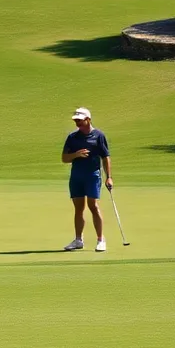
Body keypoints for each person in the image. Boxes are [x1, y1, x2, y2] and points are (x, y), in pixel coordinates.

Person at [61, 107, 113, 252]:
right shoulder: (72, 137)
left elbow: (105, 157)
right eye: (76, 121)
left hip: (92, 176)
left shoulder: (98, 136)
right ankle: (78, 240)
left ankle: (100, 239)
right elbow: (64, 158)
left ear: (88, 119)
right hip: (76, 176)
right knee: (78, 209)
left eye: (80, 120)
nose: (77, 123)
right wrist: (76, 155)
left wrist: (109, 177)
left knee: (93, 206)